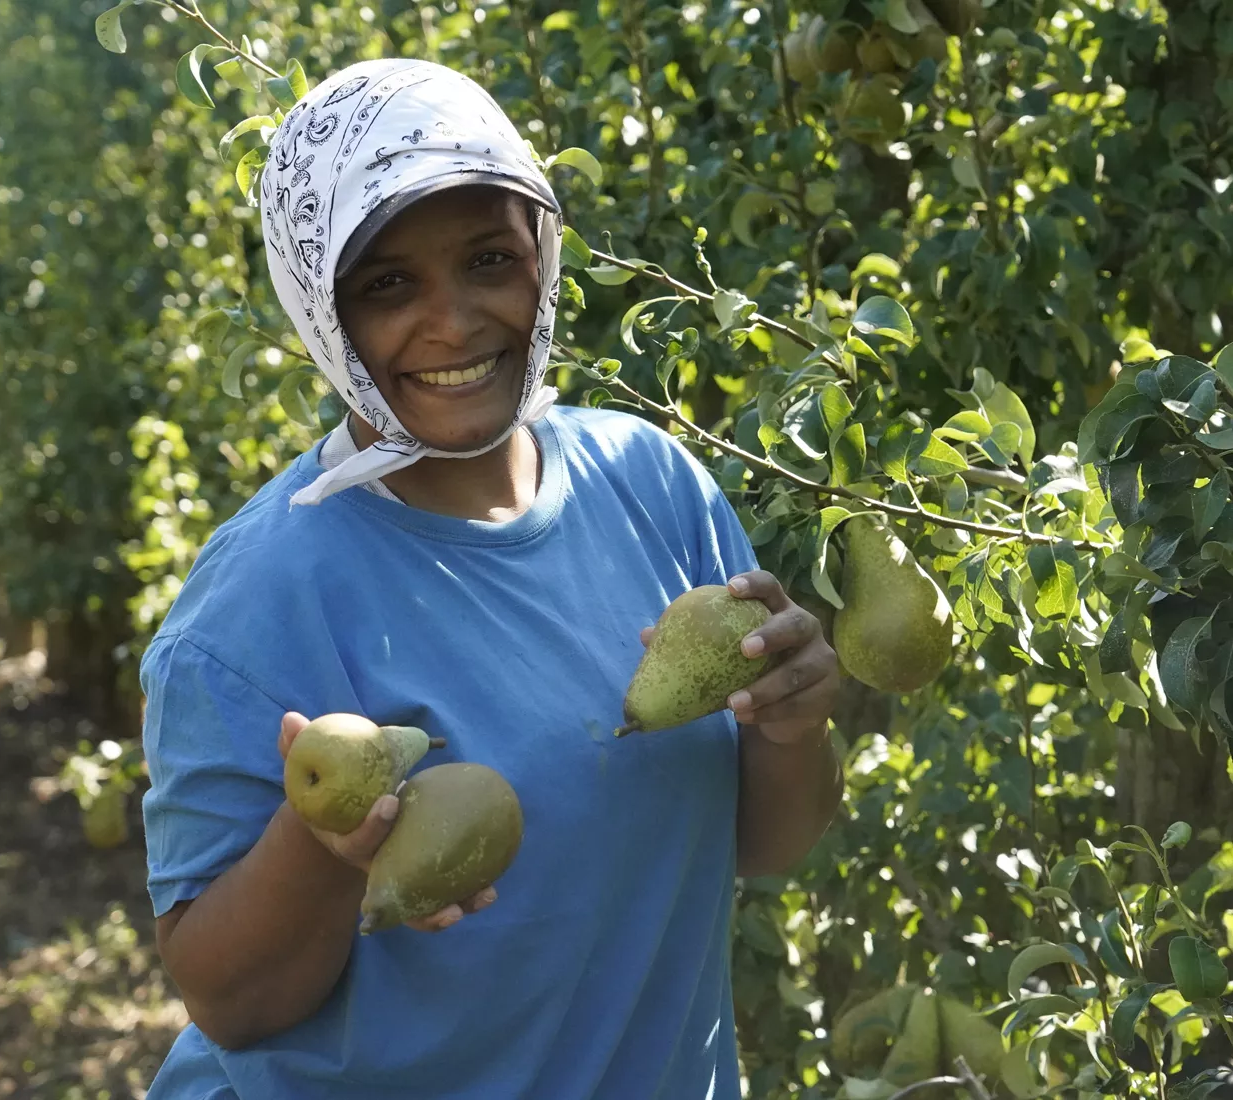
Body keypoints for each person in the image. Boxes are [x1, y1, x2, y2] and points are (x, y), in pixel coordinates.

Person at [139, 57, 843, 1099]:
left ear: (542, 258)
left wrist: (792, 721)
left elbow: (764, 844)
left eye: (487, 259)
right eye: (386, 283)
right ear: (318, 304)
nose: (455, 319)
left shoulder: (653, 485)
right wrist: (325, 846)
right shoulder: (256, 603)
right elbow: (230, 1003)